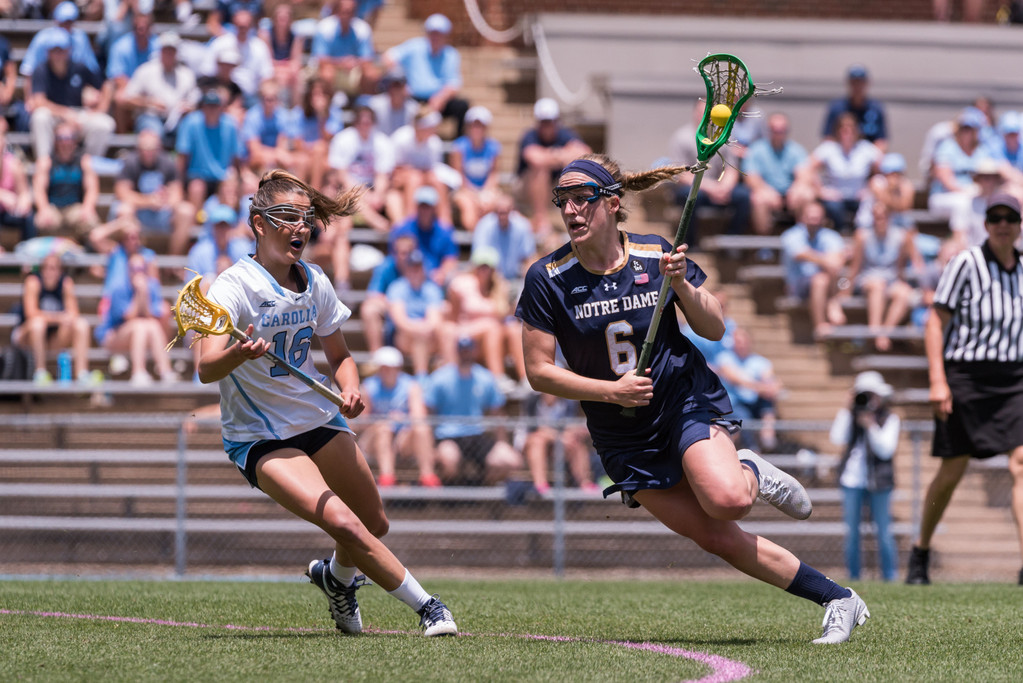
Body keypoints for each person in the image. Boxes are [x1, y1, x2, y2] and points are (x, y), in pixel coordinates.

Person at [516, 153, 868, 644]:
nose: (571, 210)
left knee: (727, 501)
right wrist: (609, 391)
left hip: (680, 400)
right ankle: (839, 599)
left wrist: (680, 282)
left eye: (583, 199)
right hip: (622, 435)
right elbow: (538, 372)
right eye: (563, 201)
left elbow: (715, 326)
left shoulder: (653, 254)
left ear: (613, 204)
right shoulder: (546, 278)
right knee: (716, 537)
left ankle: (750, 472)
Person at [197, 169, 457, 636]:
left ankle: (335, 579)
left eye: (306, 218)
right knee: (344, 522)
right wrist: (238, 352)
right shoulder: (233, 288)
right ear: (259, 223)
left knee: (373, 523)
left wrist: (351, 387)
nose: (301, 227)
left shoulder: (314, 280)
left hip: (319, 417)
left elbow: (341, 357)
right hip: (263, 437)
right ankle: (430, 608)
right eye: (288, 217)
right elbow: (205, 367)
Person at [906, 192, 1023, 587]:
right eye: (996, 217)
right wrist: (938, 380)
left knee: (1021, 462)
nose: (1003, 223)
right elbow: (935, 322)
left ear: (1020, 225)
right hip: (966, 377)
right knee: (953, 469)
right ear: (986, 223)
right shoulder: (966, 264)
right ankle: (921, 549)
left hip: (1015, 379)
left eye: (1010, 217)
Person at [829, 371, 899, 582]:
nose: (869, 399)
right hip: (851, 481)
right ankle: (853, 578)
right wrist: (846, 408)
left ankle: (890, 577)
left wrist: (870, 425)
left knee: (884, 533)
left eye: (872, 394)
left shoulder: (889, 418)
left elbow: (885, 450)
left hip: (880, 482)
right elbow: (836, 438)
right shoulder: (850, 416)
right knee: (852, 535)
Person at [424, 335, 522, 486]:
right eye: (462, 350)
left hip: (476, 435)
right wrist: (430, 447)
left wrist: (502, 442)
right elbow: (428, 414)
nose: (465, 354)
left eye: (468, 350)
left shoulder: (486, 377)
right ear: (457, 351)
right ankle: (454, 493)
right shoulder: (440, 378)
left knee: (510, 461)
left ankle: (482, 487)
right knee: (449, 460)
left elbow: (497, 413)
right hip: (448, 436)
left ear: (474, 351)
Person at [94, 220, 177, 385]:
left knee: (152, 324)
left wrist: (144, 292)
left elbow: (150, 314)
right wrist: (140, 293)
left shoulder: (150, 285)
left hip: (137, 329)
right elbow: (129, 317)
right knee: (140, 325)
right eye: (134, 269)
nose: (138, 273)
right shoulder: (118, 288)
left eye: (141, 269)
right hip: (115, 334)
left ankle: (166, 371)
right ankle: (138, 372)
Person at [667, 101, 751, 245]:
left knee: (744, 196)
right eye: (702, 112)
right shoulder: (682, 137)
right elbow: (680, 173)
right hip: (695, 188)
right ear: (695, 113)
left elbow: (732, 168)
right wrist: (710, 187)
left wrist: (725, 187)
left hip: (719, 188)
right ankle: (690, 243)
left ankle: (731, 240)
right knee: (691, 196)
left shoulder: (724, 137)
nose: (706, 116)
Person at [27, 28, 115, 161]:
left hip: (78, 114)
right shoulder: (41, 70)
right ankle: (44, 162)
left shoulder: (79, 67)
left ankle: (86, 165)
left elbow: (107, 85)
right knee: (39, 117)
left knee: (105, 124)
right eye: (54, 50)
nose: (58, 54)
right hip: (54, 115)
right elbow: (39, 101)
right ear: (48, 52)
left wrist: (99, 110)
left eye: (61, 50)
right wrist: (65, 114)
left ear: (68, 50)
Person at [360, 345, 440, 488]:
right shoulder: (369, 387)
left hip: (402, 438)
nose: (386, 371)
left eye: (390, 367)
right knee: (383, 429)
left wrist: (402, 419)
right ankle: (387, 478)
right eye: (383, 367)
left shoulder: (411, 386)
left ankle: (428, 476)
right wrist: (385, 421)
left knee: (421, 428)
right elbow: (363, 421)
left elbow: (418, 416)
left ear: (398, 368)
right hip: (375, 438)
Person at [844, 203, 921, 351]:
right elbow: (855, 266)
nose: (879, 220)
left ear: (889, 217)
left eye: (882, 217)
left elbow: (901, 267)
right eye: (876, 217)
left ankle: (884, 334)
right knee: (878, 285)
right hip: (868, 278)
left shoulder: (902, 236)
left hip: (891, 280)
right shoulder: (862, 235)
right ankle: (874, 330)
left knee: (904, 293)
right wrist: (846, 290)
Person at [12, 251, 96, 385]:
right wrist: (59, 318)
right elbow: (31, 314)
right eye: (48, 267)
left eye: (55, 268)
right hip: (26, 336)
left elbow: (74, 314)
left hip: (52, 339)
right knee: (37, 324)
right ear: (42, 269)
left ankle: (82, 374)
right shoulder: (33, 281)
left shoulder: (66, 283)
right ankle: (40, 373)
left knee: (81, 324)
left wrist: (60, 319)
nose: (51, 272)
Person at [383, 13, 469, 137]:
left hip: (438, 100)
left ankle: (459, 144)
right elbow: (388, 58)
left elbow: (454, 84)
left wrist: (441, 97)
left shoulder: (452, 54)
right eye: (433, 33)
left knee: (462, 106)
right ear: (427, 33)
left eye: (439, 34)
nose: (435, 37)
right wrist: (403, 84)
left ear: (446, 36)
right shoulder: (414, 46)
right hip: (412, 97)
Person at [794, 112, 881, 234]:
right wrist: (821, 190)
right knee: (832, 207)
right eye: (844, 129)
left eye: (851, 129)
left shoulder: (865, 148)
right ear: (838, 130)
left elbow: (884, 168)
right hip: (835, 198)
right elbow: (807, 168)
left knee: (872, 202)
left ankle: (862, 234)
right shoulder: (829, 148)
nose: (847, 132)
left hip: (859, 197)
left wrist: (870, 188)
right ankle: (841, 232)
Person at [112, 128, 194, 255]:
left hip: (162, 212)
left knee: (186, 211)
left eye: (151, 149)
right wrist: (149, 201)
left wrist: (164, 200)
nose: (147, 152)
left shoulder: (167, 163)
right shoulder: (130, 163)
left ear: (158, 148)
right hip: (138, 213)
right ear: (138, 149)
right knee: (124, 210)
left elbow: (177, 194)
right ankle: (133, 259)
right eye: (144, 148)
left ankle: (172, 261)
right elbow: (122, 193)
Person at [517, 97, 591, 236]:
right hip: (525, 189)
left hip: (553, 187)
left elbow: (585, 153)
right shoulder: (529, 136)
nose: (547, 126)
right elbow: (534, 159)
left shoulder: (565, 134)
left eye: (550, 121)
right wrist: (562, 155)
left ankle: (584, 215)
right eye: (543, 122)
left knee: (580, 171)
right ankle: (540, 219)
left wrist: (550, 155)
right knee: (539, 170)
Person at [780, 200, 849, 340]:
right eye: (810, 217)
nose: (814, 221)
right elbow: (800, 253)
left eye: (817, 217)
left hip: (827, 282)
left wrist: (831, 260)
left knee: (823, 277)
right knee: (821, 279)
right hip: (797, 285)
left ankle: (831, 304)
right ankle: (824, 319)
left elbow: (838, 258)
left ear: (823, 218)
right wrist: (826, 260)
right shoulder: (791, 235)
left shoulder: (830, 236)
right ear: (801, 217)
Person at [117, 31, 199, 141]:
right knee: (155, 132)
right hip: (150, 116)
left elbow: (195, 103)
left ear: (177, 52)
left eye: (172, 50)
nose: (169, 54)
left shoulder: (186, 74)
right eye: (166, 50)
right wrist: (149, 102)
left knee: (192, 128)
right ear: (160, 51)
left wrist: (188, 108)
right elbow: (127, 98)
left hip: (178, 119)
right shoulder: (145, 70)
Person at [326, 103, 395, 232]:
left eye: (368, 120)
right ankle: (380, 224)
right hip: (347, 189)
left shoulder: (383, 142)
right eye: (362, 120)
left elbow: (382, 175)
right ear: (355, 122)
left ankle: (401, 231)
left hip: (374, 188)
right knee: (351, 196)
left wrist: (378, 195)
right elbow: (342, 176)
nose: (365, 123)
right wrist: (365, 194)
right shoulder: (342, 139)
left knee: (394, 198)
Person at [714, 327, 782, 452]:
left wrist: (773, 387)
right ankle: (753, 449)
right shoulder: (725, 358)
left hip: (755, 401)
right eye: (737, 341)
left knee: (767, 404)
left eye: (743, 341)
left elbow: (770, 378)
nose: (740, 344)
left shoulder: (760, 361)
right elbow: (735, 379)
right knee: (743, 417)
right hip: (734, 404)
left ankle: (768, 436)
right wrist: (761, 388)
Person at [175, 89, 244, 209]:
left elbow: (236, 157)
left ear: (220, 108)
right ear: (203, 107)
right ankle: (196, 225)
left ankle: (228, 221)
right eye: (208, 106)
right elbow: (182, 156)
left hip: (222, 175)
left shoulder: (230, 125)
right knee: (196, 187)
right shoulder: (191, 123)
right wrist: (179, 184)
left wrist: (239, 178)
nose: (212, 110)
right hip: (197, 175)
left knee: (231, 184)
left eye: (215, 106)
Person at [31, 121, 100, 242]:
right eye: (61, 138)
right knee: (41, 221)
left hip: (74, 208)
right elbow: (39, 189)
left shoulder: (84, 161)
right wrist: (43, 209)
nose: (65, 142)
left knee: (91, 221)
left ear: (75, 141)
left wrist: (88, 208)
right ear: (55, 141)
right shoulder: (46, 162)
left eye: (69, 138)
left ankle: (87, 255)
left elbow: (92, 189)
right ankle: (43, 255)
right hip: (53, 208)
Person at [522, 390, 598, 495]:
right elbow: (533, 430)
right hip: (532, 441)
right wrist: (559, 437)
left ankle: (585, 483)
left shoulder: (568, 402)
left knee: (574, 442)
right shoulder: (532, 400)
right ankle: (540, 485)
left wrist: (576, 431)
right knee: (537, 441)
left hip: (557, 444)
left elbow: (569, 426)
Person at [743, 112, 808, 235]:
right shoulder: (756, 150)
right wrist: (767, 191)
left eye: (782, 130)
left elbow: (804, 176)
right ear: (768, 131)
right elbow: (751, 177)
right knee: (758, 199)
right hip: (766, 192)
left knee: (806, 195)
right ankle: (764, 243)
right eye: (775, 130)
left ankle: (804, 237)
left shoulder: (796, 150)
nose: (778, 134)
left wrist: (796, 189)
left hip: (790, 193)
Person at [384, 248, 445, 378]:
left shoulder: (432, 289)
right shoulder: (396, 288)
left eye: (418, 267)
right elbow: (400, 321)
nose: (415, 271)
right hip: (404, 336)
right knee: (419, 338)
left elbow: (435, 321)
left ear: (423, 268)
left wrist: (422, 329)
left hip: (428, 335)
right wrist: (420, 328)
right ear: (407, 268)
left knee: (446, 330)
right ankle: (421, 376)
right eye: (412, 266)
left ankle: (448, 373)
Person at [389, 185, 459, 287]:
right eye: (422, 206)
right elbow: (395, 257)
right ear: (416, 207)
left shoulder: (445, 232)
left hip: (436, 282)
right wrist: (412, 274)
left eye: (428, 207)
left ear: (434, 208)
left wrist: (442, 273)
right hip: (406, 280)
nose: (424, 210)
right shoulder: (402, 230)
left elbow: (451, 259)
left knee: (457, 280)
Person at [310, 0, 378, 97]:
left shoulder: (362, 28)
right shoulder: (325, 28)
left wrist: (354, 63)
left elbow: (367, 59)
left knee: (371, 74)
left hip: (355, 70)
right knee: (326, 74)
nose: (347, 16)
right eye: (344, 12)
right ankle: (329, 106)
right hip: (333, 69)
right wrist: (342, 63)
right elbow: (321, 60)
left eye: (350, 12)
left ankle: (364, 105)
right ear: (337, 12)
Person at [450, 105, 502, 231]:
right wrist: (475, 195)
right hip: (464, 189)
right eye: (474, 125)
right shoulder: (459, 146)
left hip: (485, 189)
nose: (477, 129)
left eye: (480, 126)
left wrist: (485, 193)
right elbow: (458, 175)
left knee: (492, 203)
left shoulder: (494, 146)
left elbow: (493, 174)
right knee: (468, 208)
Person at [471, 192, 536, 281]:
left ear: (512, 211)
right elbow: (479, 259)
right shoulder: (484, 226)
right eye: (499, 212)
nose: (502, 216)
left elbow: (529, 258)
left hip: (516, 278)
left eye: (505, 212)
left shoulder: (523, 226)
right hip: (491, 280)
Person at [821, 65, 887, 151]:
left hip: (868, 154)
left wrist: (871, 159)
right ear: (848, 83)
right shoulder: (837, 108)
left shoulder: (875, 108)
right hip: (841, 154)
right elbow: (828, 139)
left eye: (860, 82)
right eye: (854, 82)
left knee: (894, 161)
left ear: (867, 83)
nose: (857, 86)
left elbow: (881, 141)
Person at [0, 118, 35, 241]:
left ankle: (28, 254)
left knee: (27, 216)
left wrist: (23, 203)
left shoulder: (13, 163)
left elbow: (24, 192)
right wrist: (2, 195)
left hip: (5, 212)